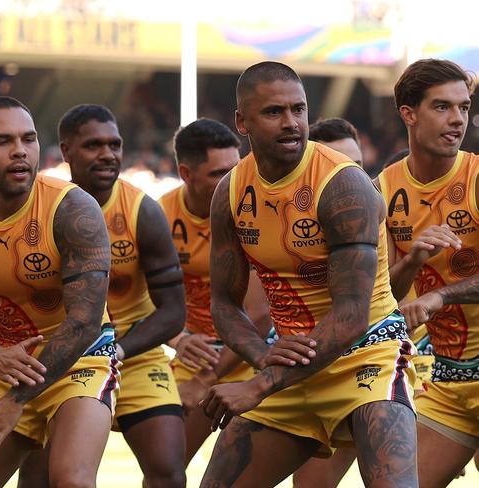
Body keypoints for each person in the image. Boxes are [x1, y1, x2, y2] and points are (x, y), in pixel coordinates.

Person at [199, 61, 418, 487]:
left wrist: (260, 384)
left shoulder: (343, 185)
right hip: (294, 363)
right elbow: (224, 303)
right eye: (274, 112)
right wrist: (264, 357)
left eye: (298, 110)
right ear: (241, 121)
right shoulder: (230, 191)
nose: (290, 123)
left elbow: (352, 316)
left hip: (367, 356)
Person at [0, 96, 118, 487]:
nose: (20, 152)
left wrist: (14, 403)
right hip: (10, 364)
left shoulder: (73, 209)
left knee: (72, 480)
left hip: (82, 360)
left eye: (28, 140)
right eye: (3, 141)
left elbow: (83, 324)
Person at [18, 104, 187, 488]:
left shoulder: (142, 210)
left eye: (115, 144)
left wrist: (118, 351)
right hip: (61, 359)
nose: (108, 154)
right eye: (94, 145)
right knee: (39, 479)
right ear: (66, 150)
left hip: (135, 356)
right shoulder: (38, 207)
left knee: (169, 473)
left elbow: (174, 312)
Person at [160, 118, 306, 467]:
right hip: (194, 356)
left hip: (253, 354)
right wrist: (179, 339)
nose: (232, 179)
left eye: (237, 167)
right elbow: (140, 299)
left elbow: (258, 314)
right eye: (218, 173)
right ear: (186, 173)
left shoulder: (255, 210)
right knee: (165, 471)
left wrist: (204, 381)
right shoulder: (160, 215)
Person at [377, 58, 478, 488]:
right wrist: (412, 259)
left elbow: (430, 299)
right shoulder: (381, 187)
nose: (457, 120)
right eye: (442, 107)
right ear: (408, 113)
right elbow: (384, 292)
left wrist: (440, 296)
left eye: (464, 107)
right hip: (450, 378)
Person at [291, 117, 367, 488]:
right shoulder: (290, 224)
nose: (351, 179)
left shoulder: (380, 206)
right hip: (311, 365)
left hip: (373, 365)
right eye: (339, 167)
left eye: (357, 167)